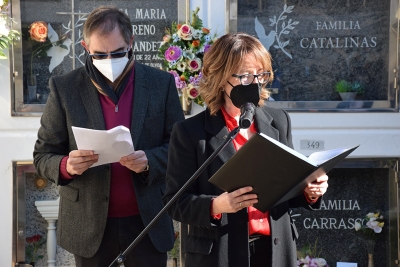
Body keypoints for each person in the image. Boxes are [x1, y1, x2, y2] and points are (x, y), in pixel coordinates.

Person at [33, 6, 184, 267]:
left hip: (147, 220)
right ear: (85, 47)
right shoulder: (65, 88)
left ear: (131, 43)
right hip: (89, 224)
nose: (109, 60)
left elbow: (179, 148)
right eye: (99, 54)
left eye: (117, 52)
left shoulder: (161, 84)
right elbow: (43, 155)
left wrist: (149, 160)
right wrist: (66, 166)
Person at [162, 33, 329, 267]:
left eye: (260, 75)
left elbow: (286, 188)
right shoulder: (190, 132)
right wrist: (217, 205)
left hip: (274, 250)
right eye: (245, 76)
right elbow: (175, 202)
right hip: (221, 253)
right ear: (221, 78)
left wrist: (310, 191)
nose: (254, 83)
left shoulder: (278, 121)